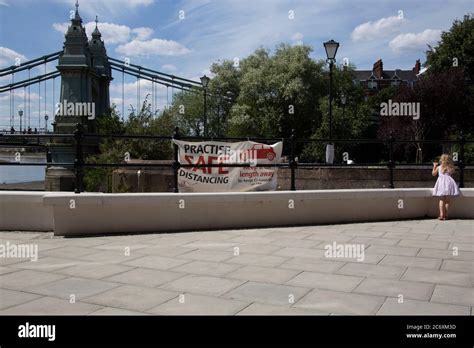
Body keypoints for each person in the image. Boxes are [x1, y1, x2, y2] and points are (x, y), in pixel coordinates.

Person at [432, 154, 460, 220]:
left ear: (441, 160)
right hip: (449, 184)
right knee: (447, 201)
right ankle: (446, 215)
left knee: (441, 199)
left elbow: (433, 174)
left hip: (441, 184)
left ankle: (441, 215)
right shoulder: (450, 167)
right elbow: (451, 173)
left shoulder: (439, 167)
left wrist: (434, 166)